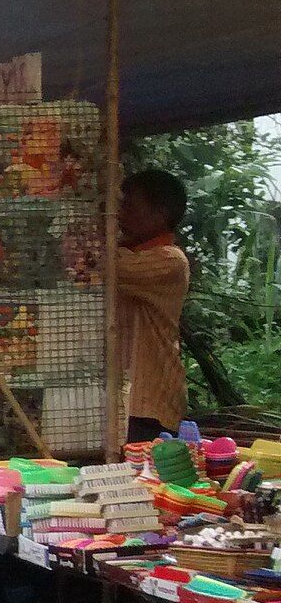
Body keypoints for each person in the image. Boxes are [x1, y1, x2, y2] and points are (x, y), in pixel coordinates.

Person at [118, 169, 191, 443]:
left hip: (148, 404)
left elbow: (107, 265)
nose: (121, 215)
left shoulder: (169, 260)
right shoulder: (134, 252)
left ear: (159, 215)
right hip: (128, 400)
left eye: (130, 207)